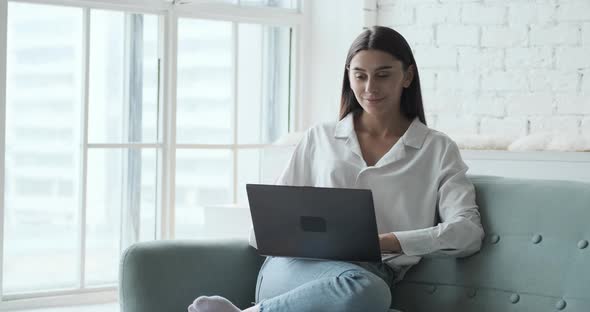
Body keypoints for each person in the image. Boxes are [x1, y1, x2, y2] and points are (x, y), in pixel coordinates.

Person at [188, 25, 485, 312]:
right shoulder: (320, 137)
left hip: (371, 278)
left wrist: (388, 241)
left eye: (383, 75)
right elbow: (263, 230)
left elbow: (467, 232)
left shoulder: (437, 149)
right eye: (360, 76)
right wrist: (294, 237)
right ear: (349, 77)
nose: (370, 88)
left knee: (368, 290)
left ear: (407, 76)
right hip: (293, 268)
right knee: (367, 293)